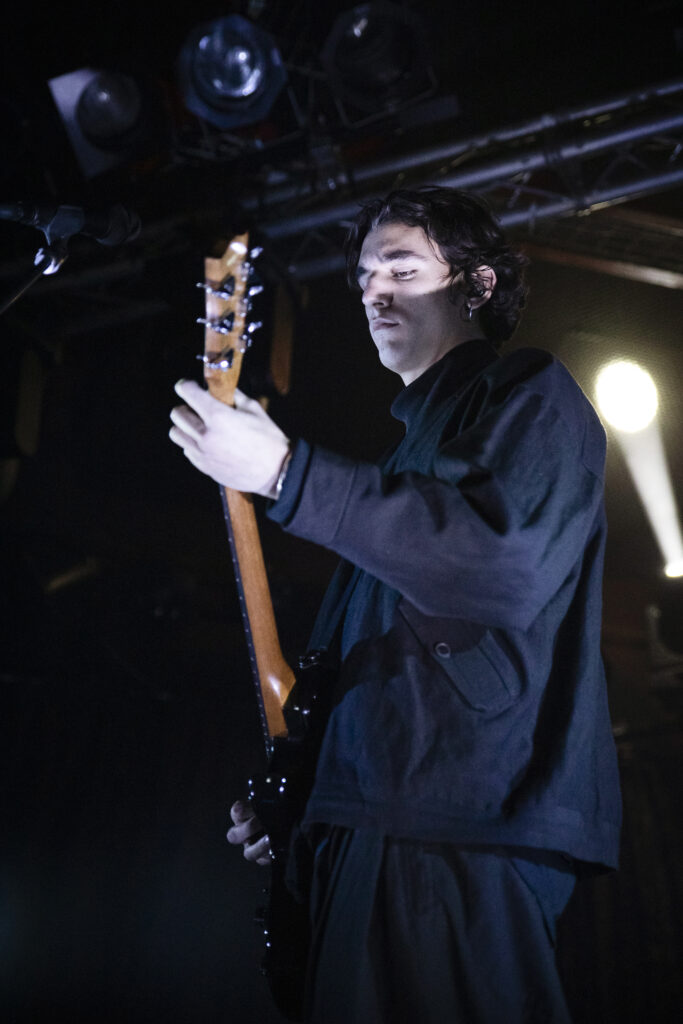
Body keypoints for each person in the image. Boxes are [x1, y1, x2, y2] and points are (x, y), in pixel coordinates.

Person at [169, 187, 621, 1023]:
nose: (374, 289)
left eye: (402, 267)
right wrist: (305, 799)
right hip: (379, 828)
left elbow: (499, 563)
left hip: (456, 829)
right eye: (365, 272)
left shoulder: (531, 394)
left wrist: (285, 475)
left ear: (476, 287)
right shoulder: (409, 455)